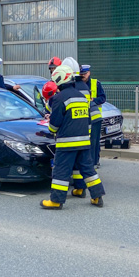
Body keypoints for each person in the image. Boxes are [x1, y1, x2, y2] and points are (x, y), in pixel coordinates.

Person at [41, 64, 105, 210]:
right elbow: (86, 119)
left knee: (61, 171)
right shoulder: (82, 97)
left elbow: (54, 126)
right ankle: (97, 197)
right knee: (88, 170)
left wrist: (50, 124)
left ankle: (56, 200)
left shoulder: (59, 98)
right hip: (83, 140)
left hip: (66, 143)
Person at [77, 63, 106, 167]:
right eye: (81, 74)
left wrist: (94, 100)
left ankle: (95, 160)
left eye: (84, 74)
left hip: (95, 117)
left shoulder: (95, 83)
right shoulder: (78, 83)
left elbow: (103, 98)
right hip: (83, 117)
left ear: (89, 73)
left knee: (95, 140)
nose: (83, 76)